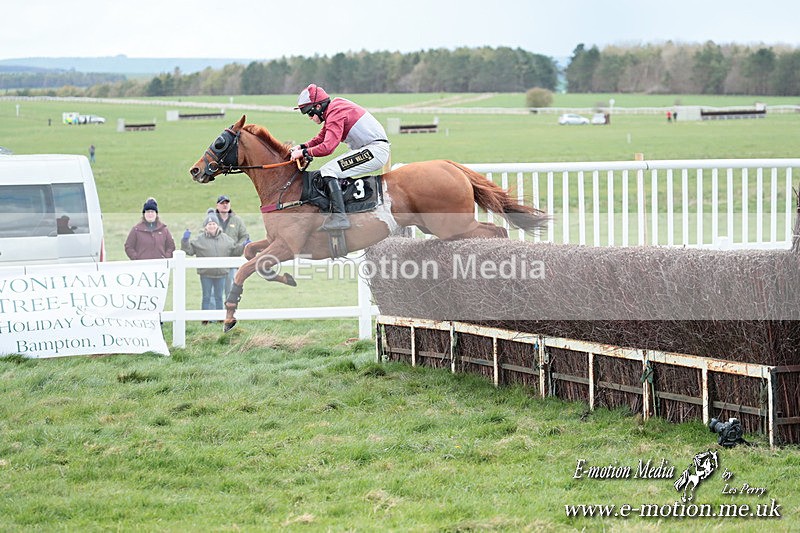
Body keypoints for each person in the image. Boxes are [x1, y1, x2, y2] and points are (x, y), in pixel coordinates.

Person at [289, 83, 390, 231]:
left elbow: (328, 147)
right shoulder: (334, 108)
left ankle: (340, 218)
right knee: (329, 170)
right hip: (370, 148)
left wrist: (304, 153)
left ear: (318, 107)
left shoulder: (335, 111)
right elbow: (321, 138)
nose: (310, 118)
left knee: (328, 171)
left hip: (374, 150)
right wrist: (302, 146)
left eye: (309, 113)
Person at [181, 211, 244, 322]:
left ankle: (220, 319)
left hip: (221, 274)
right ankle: (205, 319)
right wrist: (185, 241)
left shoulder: (226, 239)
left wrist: (244, 245)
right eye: (209, 224)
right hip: (206, 274)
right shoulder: (199, 239)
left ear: (217, 225)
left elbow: (235, 251)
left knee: (219, 297)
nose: (212, 226)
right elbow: (189, 251)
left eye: (214, 224)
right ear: (205, 227)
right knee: (206, 297)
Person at [212, 195, 249, 298]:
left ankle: (229, 310)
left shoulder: (236, 220)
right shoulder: (212, 220)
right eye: (222, 203)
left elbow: (244, 236)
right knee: (214, 292)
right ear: (217, 205)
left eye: (227, 203)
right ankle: (215, 311)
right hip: (215, 258)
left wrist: (239, 247)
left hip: (232, 258)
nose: (225, 205)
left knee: (230, 288)